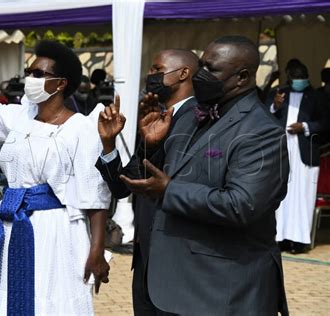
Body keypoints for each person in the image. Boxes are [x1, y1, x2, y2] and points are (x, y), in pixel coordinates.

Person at [0, 15, 111, 315]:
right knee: (10, 296)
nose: (31, 78)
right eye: (29, 71)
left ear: (61, 83)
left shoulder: (80, 127)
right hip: (11, 223)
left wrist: (97, 249)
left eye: (39, 73)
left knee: (50, 299)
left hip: (55, 228)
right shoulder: (19, 117)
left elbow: (96, 194)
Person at [119, 36, 290, 315]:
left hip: (222, 291)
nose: (201, 75)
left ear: (242, 77)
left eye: (211, 69)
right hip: (172, 284)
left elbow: (241, 205)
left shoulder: (262, 131)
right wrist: (150, 146)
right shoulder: (189, 117)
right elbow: (147, 179)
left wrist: (169, 191)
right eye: (201, 66)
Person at [95, 49, 199, 315]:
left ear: (183, 73)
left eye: (156, 69)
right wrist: (109, 143)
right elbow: (124, 185)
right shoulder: (155, 118)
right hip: (146, 258)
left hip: (178, 256)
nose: (149, 75)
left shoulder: (199, 120)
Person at [267, 61, 325, 253]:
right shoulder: (280, 93)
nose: (299, 81)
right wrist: (275, 107)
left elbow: (326, 122)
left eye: (302, 77)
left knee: (304, 195)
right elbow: (265, 115)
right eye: (296, 77)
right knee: (283, 194)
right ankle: (281, 238)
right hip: (283, 148)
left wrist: (305, 127)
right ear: (289, 78)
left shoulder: (317, 96)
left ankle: (299, 241)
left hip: (305, 150)